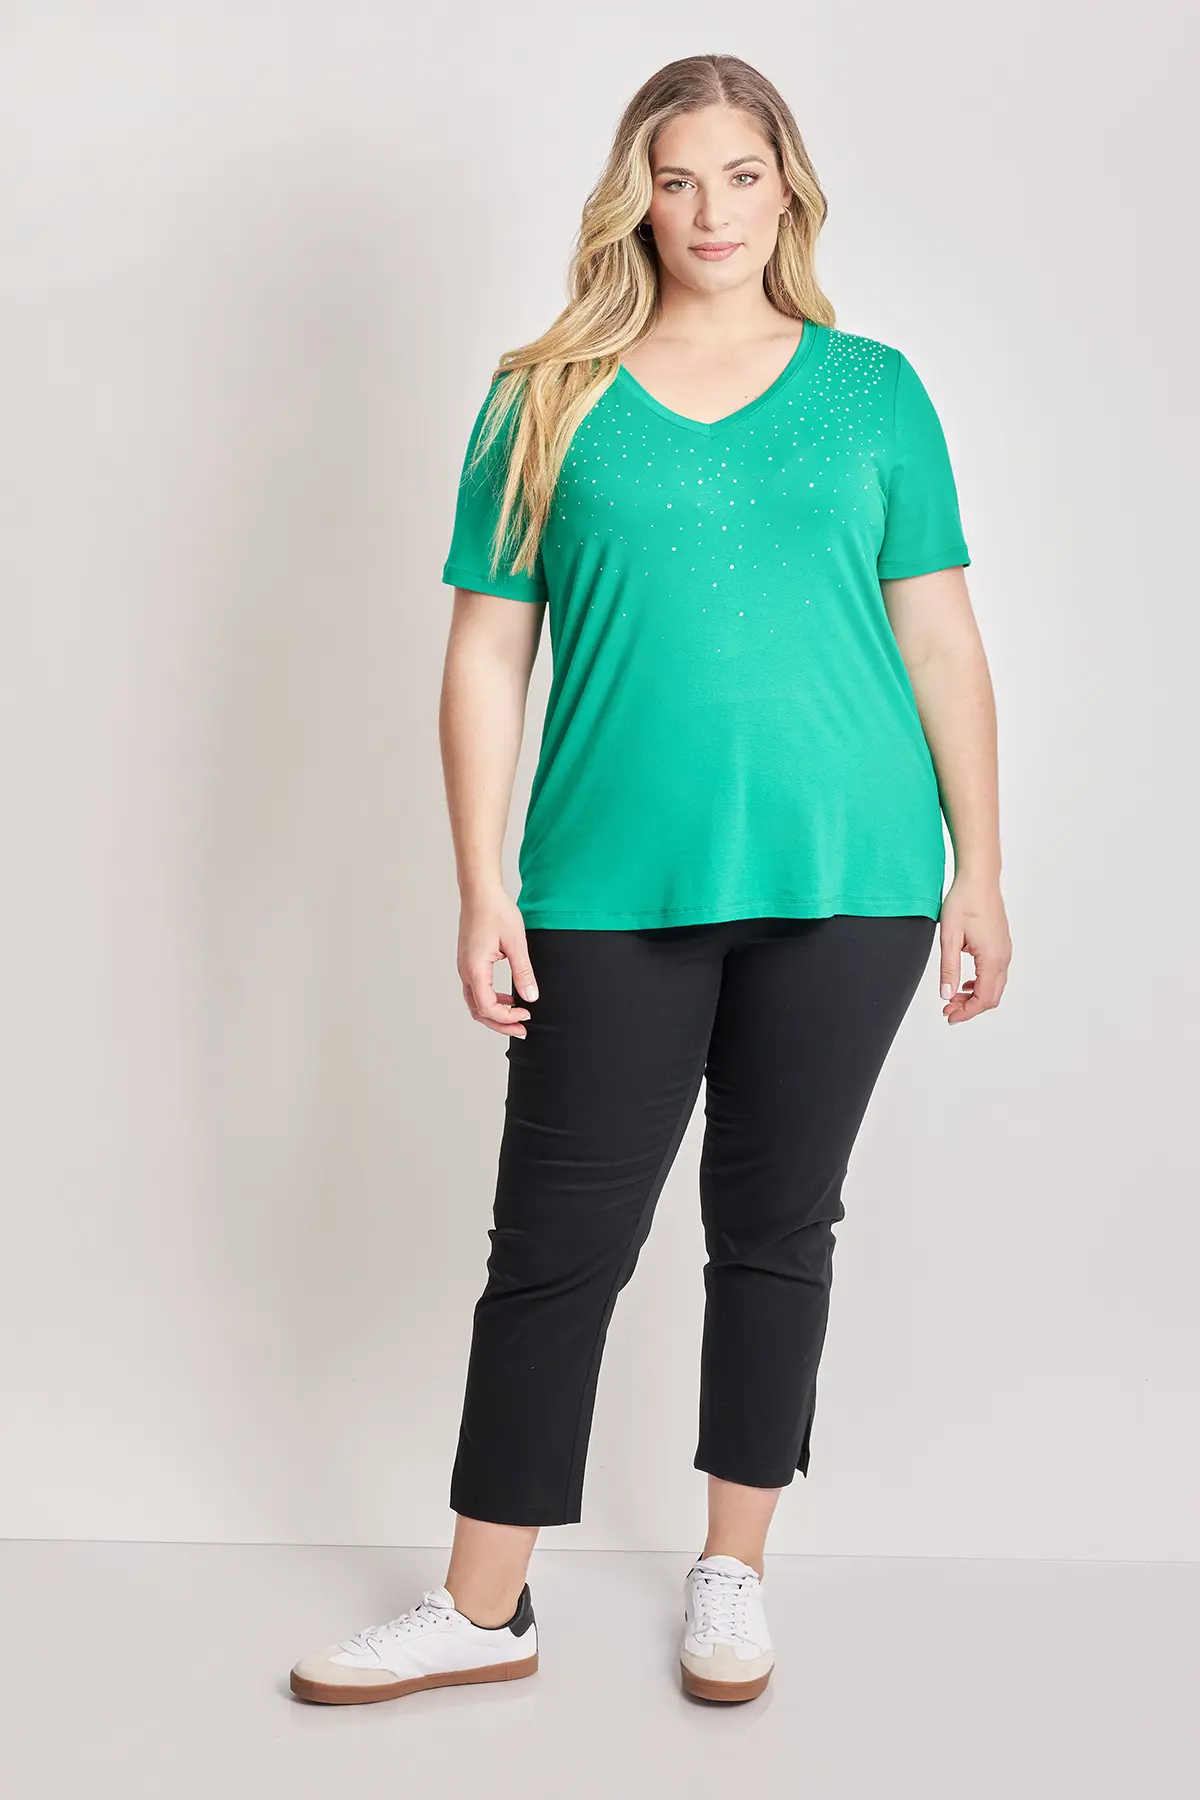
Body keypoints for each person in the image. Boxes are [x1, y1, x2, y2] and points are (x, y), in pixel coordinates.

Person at [290, 51, 1011, 1710]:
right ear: (636, 196)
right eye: (677, 178)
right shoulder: (542, 396)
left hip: (855, 874)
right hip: (606, 883)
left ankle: (732, 1571)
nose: (710, 210)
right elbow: (486, 656)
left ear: (788, 189)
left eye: (741, 175)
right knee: (556, 1244)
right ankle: (484, 1607)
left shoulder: (873, 390)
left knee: (776, 1227)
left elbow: (942, 639)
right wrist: (481, 884)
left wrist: (982, 867)